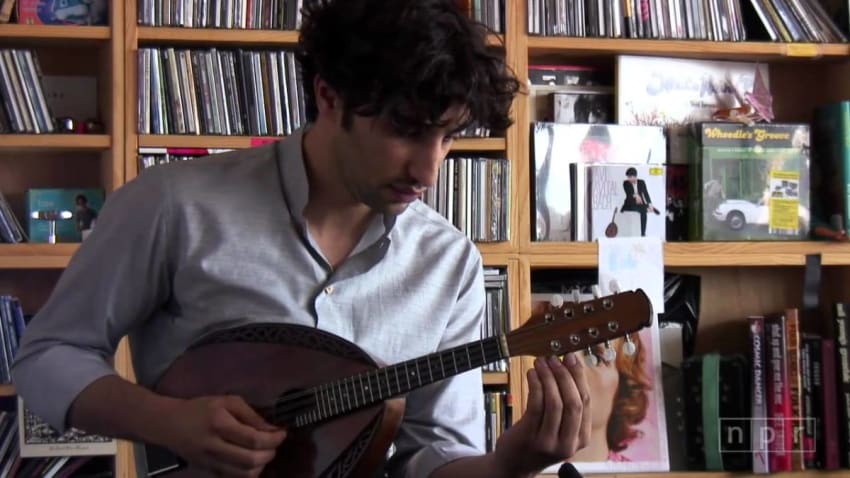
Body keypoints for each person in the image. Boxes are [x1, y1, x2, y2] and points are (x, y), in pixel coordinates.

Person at [11, 1, 592, 478]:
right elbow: (47, 356)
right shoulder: (172, 205)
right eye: (406, 130)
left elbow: (431, 459)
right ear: (328, 96)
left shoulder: (449, 261)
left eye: (449, 138)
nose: (429, 170)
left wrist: (510, 464)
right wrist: (167, 421)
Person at [620, 167, 659, 237]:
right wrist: (636, 196)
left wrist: (650, 203)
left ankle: (643, 233)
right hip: (630, 203)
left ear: (634, 176)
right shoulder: (625, 183)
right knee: (643, 209)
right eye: (628, 177)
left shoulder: (641, 182)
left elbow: (646, 193)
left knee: (643, 212)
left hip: (639, 204)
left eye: (630, 177)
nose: (628, 179)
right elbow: (629, 194)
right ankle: (648, 208)